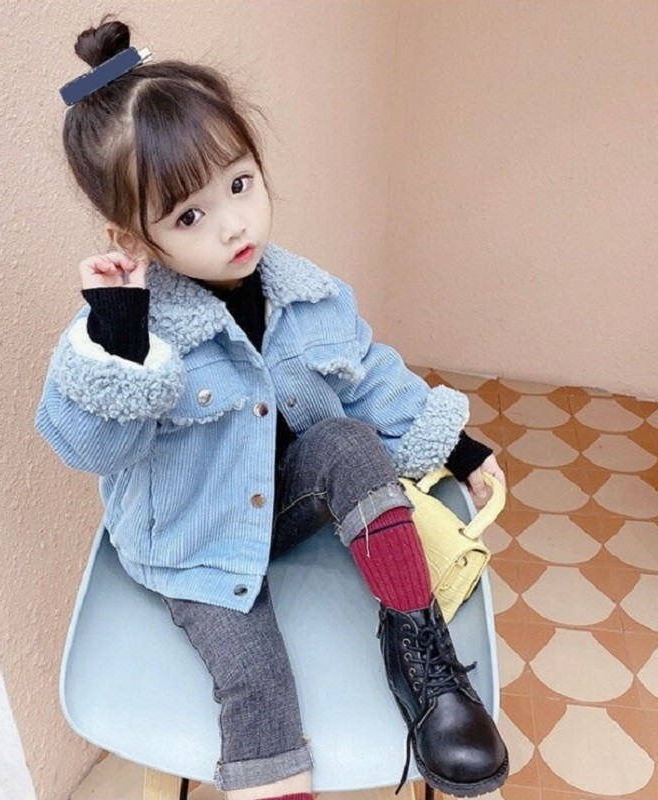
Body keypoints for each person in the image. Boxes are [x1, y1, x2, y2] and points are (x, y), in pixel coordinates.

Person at [36, 15, 509, 800]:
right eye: (188, 216)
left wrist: (455, 447)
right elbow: (88, 447)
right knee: (255, 683)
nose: (233, 224)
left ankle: (418, 647)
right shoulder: (128, 332)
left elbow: (369, 377)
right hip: (196, 540)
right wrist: (119, 333)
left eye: (240, 183)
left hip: (286, 505)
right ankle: (274, 779)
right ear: (135, 241)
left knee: (348, 440)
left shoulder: (307, 295)